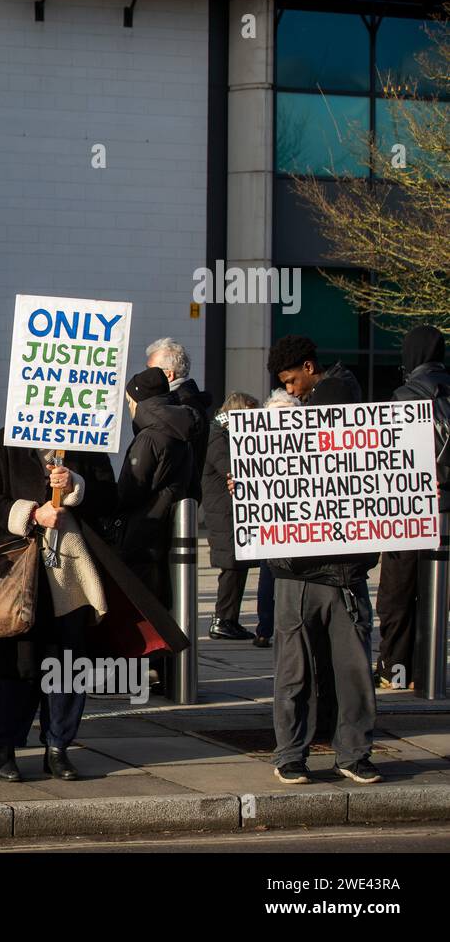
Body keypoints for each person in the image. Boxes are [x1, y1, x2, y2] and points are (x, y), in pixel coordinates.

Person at [263, 335, 380, 784]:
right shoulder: (298, 412)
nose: (290, 390)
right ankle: (312, 753)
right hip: (306, 569)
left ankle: (324, 754)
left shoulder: (337, 402)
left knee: (330, 673)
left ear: (309, 368)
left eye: (292, 381)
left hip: (332, 572)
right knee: (307, 672)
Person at [0, 435, 119, 781]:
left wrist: (75, 486)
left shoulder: (86, 440)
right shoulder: (3, 442)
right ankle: (5, 748)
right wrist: (32, 513)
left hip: (68, 577)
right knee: (17, 666)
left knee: (67, 666)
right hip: (19, 575)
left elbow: (110, 500)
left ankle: (58, 748)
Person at [375, 326, 450, 690]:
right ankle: (429, 669)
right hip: (446, 511)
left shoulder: (405, 397)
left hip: (410, 511)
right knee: (435, 595)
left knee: (397, 596)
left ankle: (396, 671)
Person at [113, 367, 201, 607]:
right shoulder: (181, 432)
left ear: (140, 402)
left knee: (141, 608)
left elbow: (130, 489)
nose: (128, 407)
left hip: (143, 531)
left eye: (129, 401)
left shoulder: (150, 437)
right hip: (165, 529)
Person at [202, 392, 259, 642]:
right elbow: (230, 467)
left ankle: (229, 619)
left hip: (229, 511)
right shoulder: (218, 436)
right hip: (225, 513)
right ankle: (223, 619)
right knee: (232, 567)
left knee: (237, 566)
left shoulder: (221, 434)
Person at [252, 389, 302, 649]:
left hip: (298, 527)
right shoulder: (257, 447)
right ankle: (265, 628)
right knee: (268, 580)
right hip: (269, 526)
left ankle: (287, 627)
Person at [146, 337, 210, 501]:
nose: (145, 377)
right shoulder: (184, 404)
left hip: (172, 502)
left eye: (150, 371)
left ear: (168, 375)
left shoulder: (179, 409)